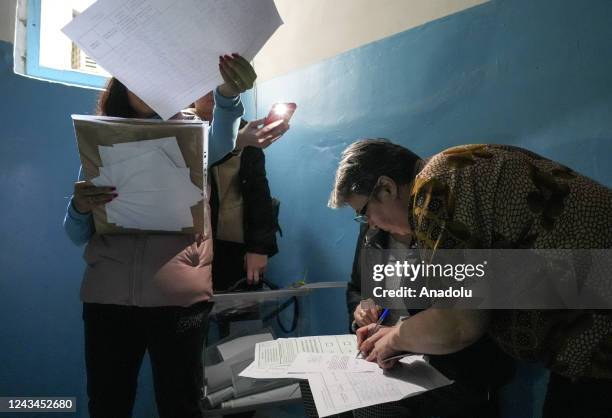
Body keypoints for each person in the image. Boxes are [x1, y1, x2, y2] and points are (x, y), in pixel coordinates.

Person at [328, 139, 612, 417]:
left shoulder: (434, 189)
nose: (371, 226)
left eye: (364, 215)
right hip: (588, 332)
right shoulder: (457, 170)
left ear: (387, 188)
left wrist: (392, 340)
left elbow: (458, 322)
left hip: (598, 333)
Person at [63, 54, 276, 418]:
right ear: (121, 86)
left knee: (180, 405)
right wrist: (79, 206)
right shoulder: (100, 141)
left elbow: (223, 138)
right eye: (138, 79)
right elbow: (75, 234)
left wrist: (226, 92)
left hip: (178, 298)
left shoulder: (194, 135)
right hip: (107, 299)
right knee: (106, 403)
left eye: (160, 79)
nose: (149, 88)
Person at [300, 223, 514, 418]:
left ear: (388, 189)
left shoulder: (440, 231)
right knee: (316, 386)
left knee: (373, 407)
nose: (368, 220)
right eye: (360, 215)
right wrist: (363, 308)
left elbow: (457, 319)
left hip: (438, 361)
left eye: (366, 209)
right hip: (384, 354)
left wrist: (398, 337)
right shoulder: (372, 232)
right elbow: (357, 288)